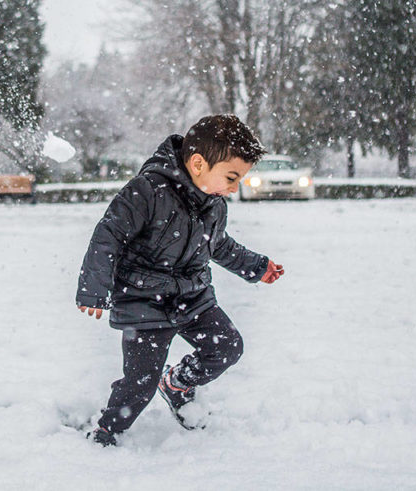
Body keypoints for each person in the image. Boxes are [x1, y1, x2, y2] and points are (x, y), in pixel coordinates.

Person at [76, 114, 285, 446]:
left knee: (228, 348)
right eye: (231, 177)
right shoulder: (147, 190)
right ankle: (106, 430)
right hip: (144, 302)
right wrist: (94, 287)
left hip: (192, 297)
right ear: (199, 163)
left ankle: (177, 383)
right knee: (139, 384)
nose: (234, 188)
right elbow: (109, 234)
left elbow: (217, 244)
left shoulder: (214, 205)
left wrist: (255, 267)